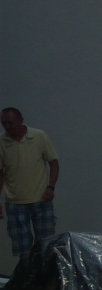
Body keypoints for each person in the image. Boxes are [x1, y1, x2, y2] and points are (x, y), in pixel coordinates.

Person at [0, 108, 59, 260]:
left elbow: (53, 163)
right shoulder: (1, 141)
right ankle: (26, 274)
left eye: (10, 123)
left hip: (41, 199)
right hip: (15, 203)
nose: (7, 127)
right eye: (3, 123)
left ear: (21, 120)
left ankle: (45, 274)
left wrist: (50, 187)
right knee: (23, 250)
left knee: (46, 246)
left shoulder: (39, 136)